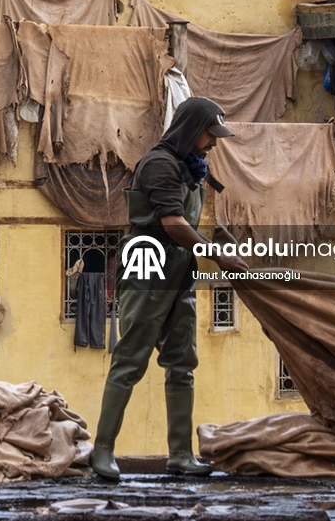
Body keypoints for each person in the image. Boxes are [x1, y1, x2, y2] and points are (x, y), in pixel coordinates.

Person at [91, 97, 248, 481]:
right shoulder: (160, 164)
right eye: (210, 134)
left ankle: (180, 454)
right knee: (131, 359)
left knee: (182, 363)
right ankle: (102, 450)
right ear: (191, 130)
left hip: (180, 270)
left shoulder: (190, 167)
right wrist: (217, 255)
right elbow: (173, 224)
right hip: (149, 265)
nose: (214, 142)